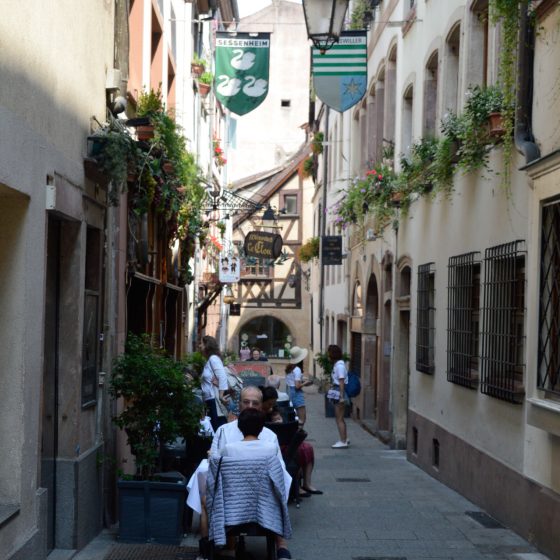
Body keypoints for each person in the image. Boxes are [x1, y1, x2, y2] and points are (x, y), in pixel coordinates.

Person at [207, 386, 292, 560]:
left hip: (233, 505)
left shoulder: (269, 436)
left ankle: (219, 544)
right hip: (262, 500)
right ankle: (280, 546)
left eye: (255, 403)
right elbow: (278, 473)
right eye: (246, 402)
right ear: (239, 404)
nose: (251, 406)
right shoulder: (224, 431)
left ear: (262, 406)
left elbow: (214, 465)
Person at [261, 386, 322, 497]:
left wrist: (280, 421)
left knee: (307, 448)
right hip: (273, 446)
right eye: (269, 404)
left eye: (273, 404)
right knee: (295, 453)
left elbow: (283, 424)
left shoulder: (274, 411)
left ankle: (307, 483)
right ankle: (296, 486)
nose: (271, 408)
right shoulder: (258, 413)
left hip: (285, 442)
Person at [200, 335, 229, 431]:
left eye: (202, 344)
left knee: (217, 429)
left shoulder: (213, 358)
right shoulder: (210, 360)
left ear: (207, 345)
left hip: (214, 399)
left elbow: (222, 376)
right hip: (210, 399)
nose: (200, 346)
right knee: (214, 428)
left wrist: (221, 395)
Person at [328, 344, 349, 449]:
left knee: (339, 418)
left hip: (339, 391)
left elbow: (341, 382)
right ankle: (344, 437)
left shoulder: (339, 366)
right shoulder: (338, 365)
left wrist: (341, 397)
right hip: (337, 390)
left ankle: (343, 441)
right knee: (340, 417)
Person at [285, 346, 308, 427]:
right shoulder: (297, 369)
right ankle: (298, 437)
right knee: (302, 419)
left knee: (295, 417)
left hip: (289, 392)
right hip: (296, 393)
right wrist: (306, 383)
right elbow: (297, 386)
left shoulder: (289, 367)